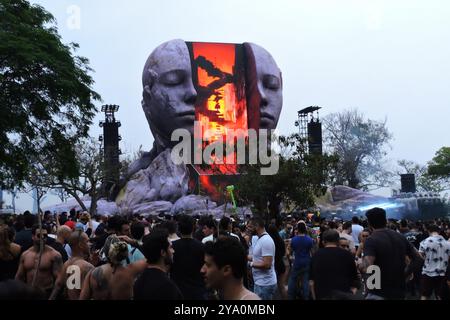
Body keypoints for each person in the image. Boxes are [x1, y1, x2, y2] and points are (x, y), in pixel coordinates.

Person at [359, 207, 422, 300]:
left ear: (369, 223)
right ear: (385, 220)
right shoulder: (400, 237)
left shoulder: (371, 240)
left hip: (378, 291)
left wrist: (359, 266)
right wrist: (405, 273)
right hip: (399, 291)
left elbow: (367, 267)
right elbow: (418, 258)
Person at [80, 235, 147, 300]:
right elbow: (150, 258)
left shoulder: (92, 273)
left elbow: (83, 298)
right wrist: (134, 243)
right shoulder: (130, 271)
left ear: (105, 252)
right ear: (123, 253)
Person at [309, 230, 360, 300]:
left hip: (322, 295)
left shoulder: (316, 255)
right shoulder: (347, 255)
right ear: (338, 241)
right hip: (343, 295)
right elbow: (354, 278)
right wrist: (351, 293)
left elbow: (311, 282)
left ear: (323, 242)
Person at [15, 225, 63, 298]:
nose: (43, 238)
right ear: (33, 236)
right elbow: (19, 277)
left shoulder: (54, 255)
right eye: (39, 235)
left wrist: (52, 297)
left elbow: (59, 280)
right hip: (29, 293)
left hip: (46, 292)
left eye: (45, 235)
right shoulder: (25, 255)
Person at [133, 229, 183, 300]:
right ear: (163, 252)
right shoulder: (167, 286)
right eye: (170, 247)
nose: (173, 251)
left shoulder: (139, 282)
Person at [50, 230, 94, 300]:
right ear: (80, 245)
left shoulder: (66, 264)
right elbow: (75, 294)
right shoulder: (86, 266)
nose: (90, 244)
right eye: (87, 241)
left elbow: (58, 285)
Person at [171, 215, 207, 300]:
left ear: (179, 229)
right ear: (193, 228)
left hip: (177, 291)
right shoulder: (202, 247)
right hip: (198, 291)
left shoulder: (172, 247)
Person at [247, 216, 277, 300]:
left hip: (264, 285)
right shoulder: (260, 239)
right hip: (260, 283)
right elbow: (257, 258)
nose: (248, 229)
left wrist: (250, 264)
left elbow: (267, 265)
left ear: (256, 226)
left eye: (250, 226)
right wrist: (244, 257)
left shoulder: (266, 241)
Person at [418, 224, 450, 300]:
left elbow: (420, 256)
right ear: (438, 232)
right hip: (442, 272)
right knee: (439, 295)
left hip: (428, 272)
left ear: (429, 231)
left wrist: (428, 259)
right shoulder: (448, 243)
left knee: (424, 295)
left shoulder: (424, 242)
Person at [287, 221, 313, 300]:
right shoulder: (309, 240)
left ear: (297, 229)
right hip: (306, 261)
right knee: (305, 281)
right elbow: (312, 251)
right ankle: (306, 297)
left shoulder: (293, 240)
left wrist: (290, 257)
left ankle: (291, 296)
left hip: (297, 261)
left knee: (293, 279)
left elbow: (288, 251)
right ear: (305, 229)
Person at [267, 224, 288, 299]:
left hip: (271, 266)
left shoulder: (268, 241)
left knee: (270, 290)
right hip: (280, 265)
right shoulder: (280, 240)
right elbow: (283, 253)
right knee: (281, 287)